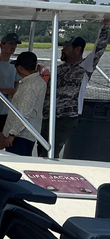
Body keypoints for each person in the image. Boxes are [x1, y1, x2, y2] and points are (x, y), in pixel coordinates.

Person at [39, 19, 110, 158]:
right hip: (48, 116)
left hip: (65, 117)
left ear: (77, 49)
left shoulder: (84, 66)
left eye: (66, 47)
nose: (62, 49)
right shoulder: (59, 69)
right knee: (42, 148)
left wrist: (105, 26)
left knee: (51, 152)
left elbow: (99, 49)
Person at [0, 52, 47, 156]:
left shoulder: (29, 87)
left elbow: (23, 113)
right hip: (27, 132)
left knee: (15, 161)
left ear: (20, 68)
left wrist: (12, 134)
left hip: (21, 135)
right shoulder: (38, 81)